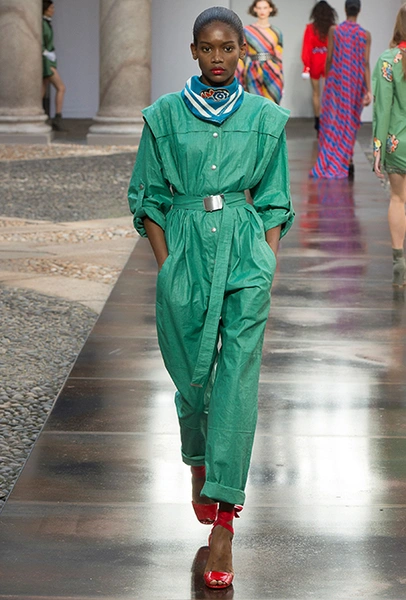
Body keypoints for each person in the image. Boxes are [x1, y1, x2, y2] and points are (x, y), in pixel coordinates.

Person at [128, 6, 294, 589]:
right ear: (194, 50)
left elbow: (275, 198)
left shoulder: (266, 118)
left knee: (238, 378)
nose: (218, 57)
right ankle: (200, 459)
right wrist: (167, 266)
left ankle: (224, 521)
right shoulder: (164, 116)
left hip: (246, 251)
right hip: (185, 251)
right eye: (208, 47)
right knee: (192, 377)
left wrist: (266, 261)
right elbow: (147, 195)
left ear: (243, 50)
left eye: (228, 47)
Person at [310, 0, 372, 179]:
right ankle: (347, 160)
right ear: (359, 11)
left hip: (336, 82)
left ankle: (331, 158)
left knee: (333, 121)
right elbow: (365, 63)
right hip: (355, 84)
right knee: (350, 121)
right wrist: (368, 90)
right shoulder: (365, 34)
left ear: (345, 10)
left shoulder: (334, 31)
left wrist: (328, 80)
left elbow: (329, 58)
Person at [373, 4, 406, 287]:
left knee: (398, 199)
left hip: (399, 141)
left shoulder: (388, 60)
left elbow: (382, 109)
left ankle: (399, 263)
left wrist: (377, 150)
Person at [301, 1, 338, 134]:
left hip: (315, 61)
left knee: (316, 93)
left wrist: (306, 65)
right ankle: (329, 122)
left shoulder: (310, 28)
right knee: (330, 94)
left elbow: (307, 48)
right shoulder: (334, 29)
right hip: (329, 61)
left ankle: (318, 122)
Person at [237, 1, 283, 104]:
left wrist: (281, 76)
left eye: (265, 7)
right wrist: (238, 76)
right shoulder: (247, 31)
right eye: (259, 8)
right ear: (255, 9)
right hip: (253, 70)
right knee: (254, 104)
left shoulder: (276, 32)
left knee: (272, 104)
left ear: (270, 9)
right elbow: (242, 55)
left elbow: (279, 57)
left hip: (273, 71)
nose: (262, 11)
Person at [42, 0, 66, 131]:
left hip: (48, 58)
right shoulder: (42, 24)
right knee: (61, 87)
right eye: (51, 7)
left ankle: (41, 116)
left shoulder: (46, 23)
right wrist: (46, 53)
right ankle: (57, 118)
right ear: (45, 9)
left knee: (42, 89)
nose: (53, 10)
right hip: (46, 60)